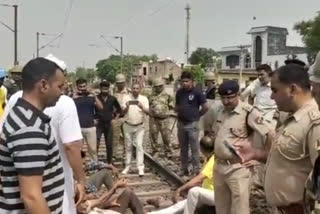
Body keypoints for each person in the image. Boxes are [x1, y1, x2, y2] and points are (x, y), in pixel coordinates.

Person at [0, 54, 87, 214]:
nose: (62, 92)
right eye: (60, 87)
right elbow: (31, 197)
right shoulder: (29, 128)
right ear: (43, 85)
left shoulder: (24, 114)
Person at [235, 63, 320, 214]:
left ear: (292, 89)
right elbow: (289, 158)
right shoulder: (292, 117)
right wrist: (257, 154)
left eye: (275, 90)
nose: (271, 96)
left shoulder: (314, 123)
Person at [213, 80, 272, 214]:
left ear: (238, 95)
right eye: (223, 98)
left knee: (240, 210)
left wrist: (261, 156)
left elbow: (269, 133)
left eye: (230, 97)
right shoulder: (220, 112)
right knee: (221, 209)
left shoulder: (248, 112)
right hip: (219, 167)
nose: (226, 101)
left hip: (238, 169)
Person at [148, 136, 215, 214]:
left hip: (216, 195)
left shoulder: (213, 160)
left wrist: (180, 189)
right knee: (182, 204)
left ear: (201, 148)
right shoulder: (209, 158)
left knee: (194, 191)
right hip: (208, 194)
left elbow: (199, 179)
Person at [175, 71, 208, 176]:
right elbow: (177, 105)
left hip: (192, 124)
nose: (184, 83)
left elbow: (205, 107)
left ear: (191, 81)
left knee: (194, 148)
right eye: (183, 81)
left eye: (186, 81)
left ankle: (195, 169)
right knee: (183, 148)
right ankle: (184, 168)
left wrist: (197, 115)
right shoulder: (179, 92)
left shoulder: (197, 92)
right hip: (181, 124)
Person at [121, 83, 149, 176]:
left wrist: (142, 107)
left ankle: (140, 168)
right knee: (128, 146)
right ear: (131, 89)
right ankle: (127, 166)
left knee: (139, 146)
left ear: (140, 89)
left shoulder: (144, 99)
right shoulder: (125, 98)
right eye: (134, 88)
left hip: (139, 126)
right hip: (128, 125)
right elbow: (122, 112)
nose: (135, 90)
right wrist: (127, 106)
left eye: (137, 88)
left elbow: (148, 112)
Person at [74, 78, 103, 161]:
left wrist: (94, 95)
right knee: (78, 150)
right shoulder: (74, 98)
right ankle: (80, 167)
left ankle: (94, 166)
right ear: (77, 87)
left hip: (90, 127)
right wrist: (74, 95)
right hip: (78, 128)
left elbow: (100, 107)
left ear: (87, 86)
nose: (82, 88)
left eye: (84, 86)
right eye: (80, 87)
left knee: (93, 150)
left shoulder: (91, 97)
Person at [96, 80, 122, 164]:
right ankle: (95, 161)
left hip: (109, 124)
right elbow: (91, 109)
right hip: (98, 124)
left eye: (106, 89)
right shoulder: (96, 98)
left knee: (109, 144)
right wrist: (93, 119)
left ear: (108, 89)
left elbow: (119, 110)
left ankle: (109, 162)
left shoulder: (112, 99)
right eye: (103, 89)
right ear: (100, 88)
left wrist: (115, 119)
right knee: (96, 143)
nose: (105, 90)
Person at [148, 78, 175, 155]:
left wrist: (164, 111)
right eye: (156, 86)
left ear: (162, 86)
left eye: (160, 86)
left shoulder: (168, 95)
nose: (158, 88)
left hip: (165, 119)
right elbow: (148, 106)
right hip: (154, 119)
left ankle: (168, 151)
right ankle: (155, 151)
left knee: (166, 137)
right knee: (153, 136)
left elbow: (171, 106)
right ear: (154, 87)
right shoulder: (150, 96)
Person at [112, 73, 130, 161]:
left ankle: (126, 155)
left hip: (126, 117)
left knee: (127, 137)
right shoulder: (113, 93)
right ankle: (114, 154)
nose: (120, 84)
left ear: (125, 82)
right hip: (117, 117)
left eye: (122, 82)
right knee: (115, 137)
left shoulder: (129, 93)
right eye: (118, 83)